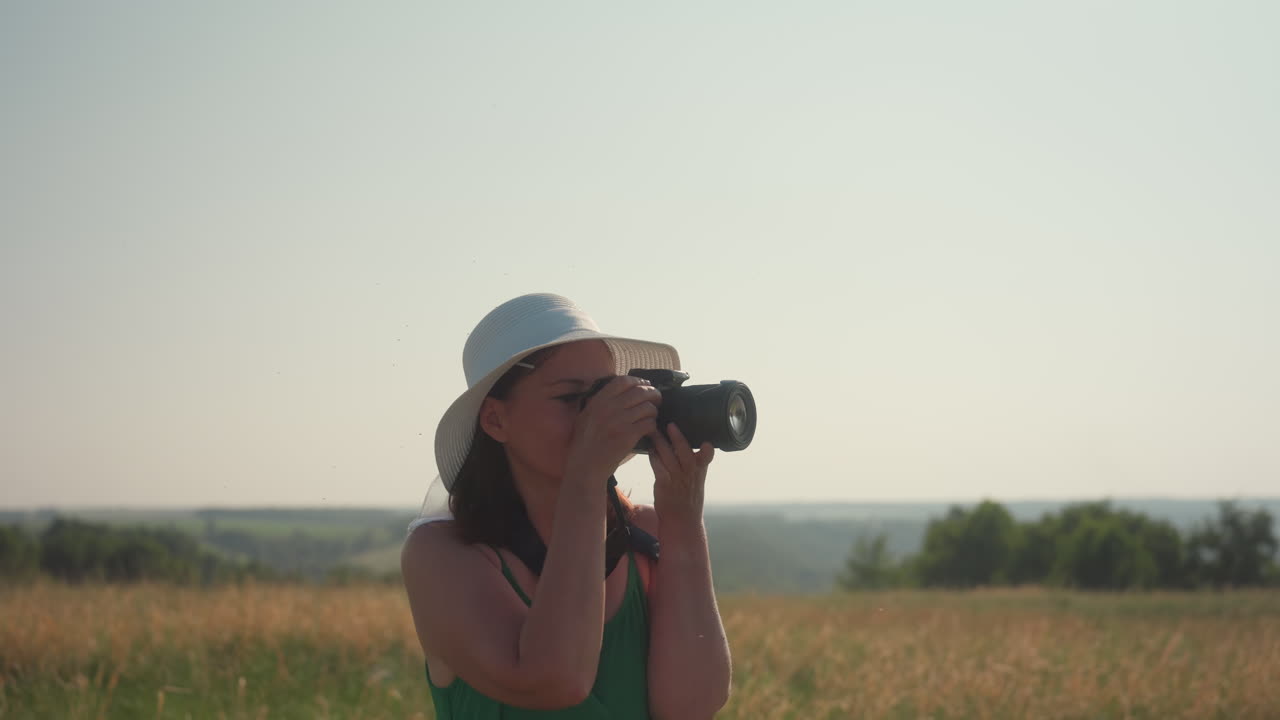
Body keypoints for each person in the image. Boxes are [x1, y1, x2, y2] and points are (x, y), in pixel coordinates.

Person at [402, 293, 732, 719]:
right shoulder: (444, 556)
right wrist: (586, 478)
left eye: (605, 393)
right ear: (495, 420)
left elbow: (692, 706)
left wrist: (683, 523)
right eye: (570, 398)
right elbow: (555, 680)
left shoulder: (647, 534)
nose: (597, 414)